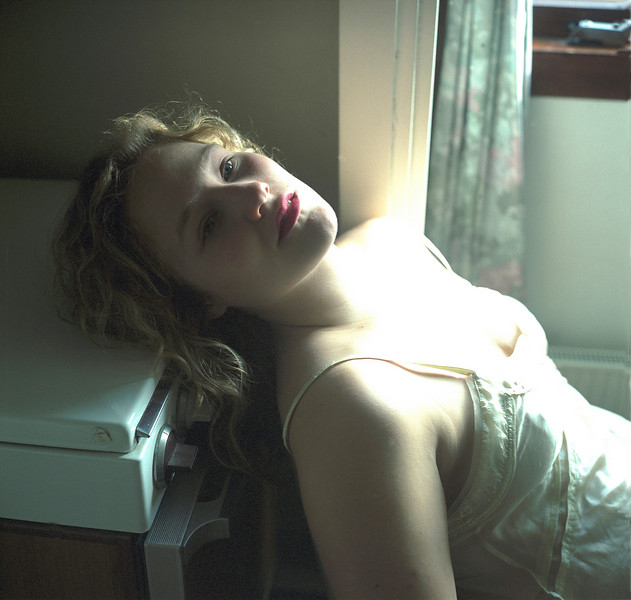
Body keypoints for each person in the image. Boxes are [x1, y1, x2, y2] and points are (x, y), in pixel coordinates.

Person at [53, 103, 630, 600]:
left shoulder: (388, 238)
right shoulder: (349, 410)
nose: (252, 194)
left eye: (227, 166)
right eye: (208, 224)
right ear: (203, 300)